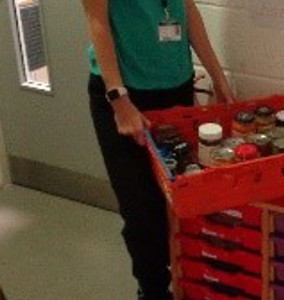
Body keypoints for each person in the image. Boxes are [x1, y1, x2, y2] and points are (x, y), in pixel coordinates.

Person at [81, 0, 233, 299]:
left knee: (178, 202)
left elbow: (187, 9)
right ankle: (152, 291)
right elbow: (96, 21)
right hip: (125, 96)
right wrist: (119, 100)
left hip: (176, 88)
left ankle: (184, 283)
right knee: (142, 212)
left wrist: (217, 75)